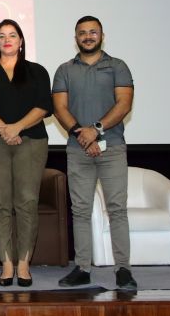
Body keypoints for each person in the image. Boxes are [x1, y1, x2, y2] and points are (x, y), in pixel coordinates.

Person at [52, 16, 138, 290]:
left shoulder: (118, 66)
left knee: (117, 210)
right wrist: (82, 133)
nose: (88, 36)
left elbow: (124, 104)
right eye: (82, 33)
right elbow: (60, 108)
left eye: (93, 32)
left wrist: (96, 129)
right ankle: (82, 268)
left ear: (102, 35)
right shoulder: (65, 69)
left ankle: (123, 269)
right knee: (80, 211)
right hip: (78, 150)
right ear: (75, 37)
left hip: (111, 147)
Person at [0, 19, 52, 287]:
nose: (7, 39)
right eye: (2, 35)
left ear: (21, 41)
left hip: (31, 141)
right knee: (0, 203)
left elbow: (42, 107)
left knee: (27, 201)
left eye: (12, 35)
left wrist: (17, 127)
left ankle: (24, 264)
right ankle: (7, 264)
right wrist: (5, 129)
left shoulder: (37, 71)